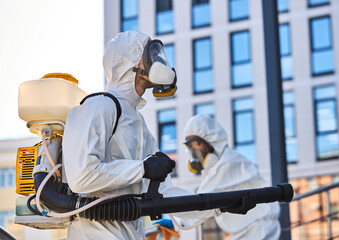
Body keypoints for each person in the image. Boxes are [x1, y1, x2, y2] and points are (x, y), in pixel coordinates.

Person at [61, 31, 251, 240]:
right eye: (150, 55)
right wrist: (142, 168)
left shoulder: (138, 123)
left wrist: (222, 204)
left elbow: (165, 193)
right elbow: (81, 177)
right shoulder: (99, 106)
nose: (157, 60)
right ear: (130, 62)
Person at [183, 114, 281, 240]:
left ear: (211, 141)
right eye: (190, 147)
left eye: (195, 144)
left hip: (258, 229)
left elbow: (200, 204)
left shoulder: (228, 163)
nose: (194, 151)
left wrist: (176, 223)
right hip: (248, 231)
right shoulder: (216, 167)